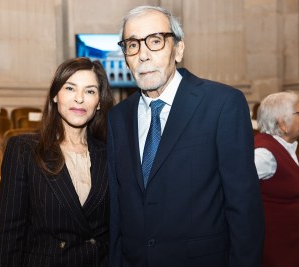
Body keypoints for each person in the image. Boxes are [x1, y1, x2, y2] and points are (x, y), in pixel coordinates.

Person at [107, 5, 264, 267]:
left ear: (178, 49)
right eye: (132, 45)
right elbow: (117, 210)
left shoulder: (223, 104)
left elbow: (244, 208)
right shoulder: (117, 117)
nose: (143, 55)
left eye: (155, 41)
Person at [0, 57, 113, 266]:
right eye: (70, 88)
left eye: (90, 91)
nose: (79, 99)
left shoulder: (111, 153)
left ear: (98, 103)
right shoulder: (23, 150)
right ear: (55, 96)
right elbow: (10, 235)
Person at [254, 91, 299, 267]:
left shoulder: (285, 146)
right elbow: (234, 187)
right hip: (276, 254)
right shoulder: (263, 154)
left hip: (291, 248)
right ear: (283, 123)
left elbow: (285, 183)